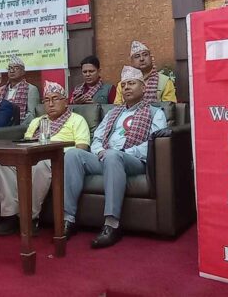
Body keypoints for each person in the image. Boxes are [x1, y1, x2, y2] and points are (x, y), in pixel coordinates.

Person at [63, 66, 167, 249]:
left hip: (134, 161)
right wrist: (99, 151)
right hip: (107, 157)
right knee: (73, 154)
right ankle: (68, 219)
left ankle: (112, 225)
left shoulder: (155, 112)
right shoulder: (113, 113)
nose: (127, 88)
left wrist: (123, 153)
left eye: (131, 83)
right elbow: (97, 138)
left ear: (143, 88)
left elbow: (152, 144)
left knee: (113, 156)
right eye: (124, 85)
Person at [0, 81, 90, 236]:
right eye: (46, 100)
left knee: (41, 164)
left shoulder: (77, 119)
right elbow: (26, 143)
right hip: (31, 156)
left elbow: (81, 148)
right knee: (2, 163)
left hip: (56, 160)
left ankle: (30, 217)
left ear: (65, 101)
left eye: (55, 99)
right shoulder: (37, 121)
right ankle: (10, 216)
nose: (50, 104)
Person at [0, 55, 40, 124]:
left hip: (21, 128)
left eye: (16, 68)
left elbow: (32, 115)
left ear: (23, 72)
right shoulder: (1, 90)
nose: (12, 71)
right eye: (9, 68)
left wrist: (17, 127)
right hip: (1, 127)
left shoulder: (31, 89)